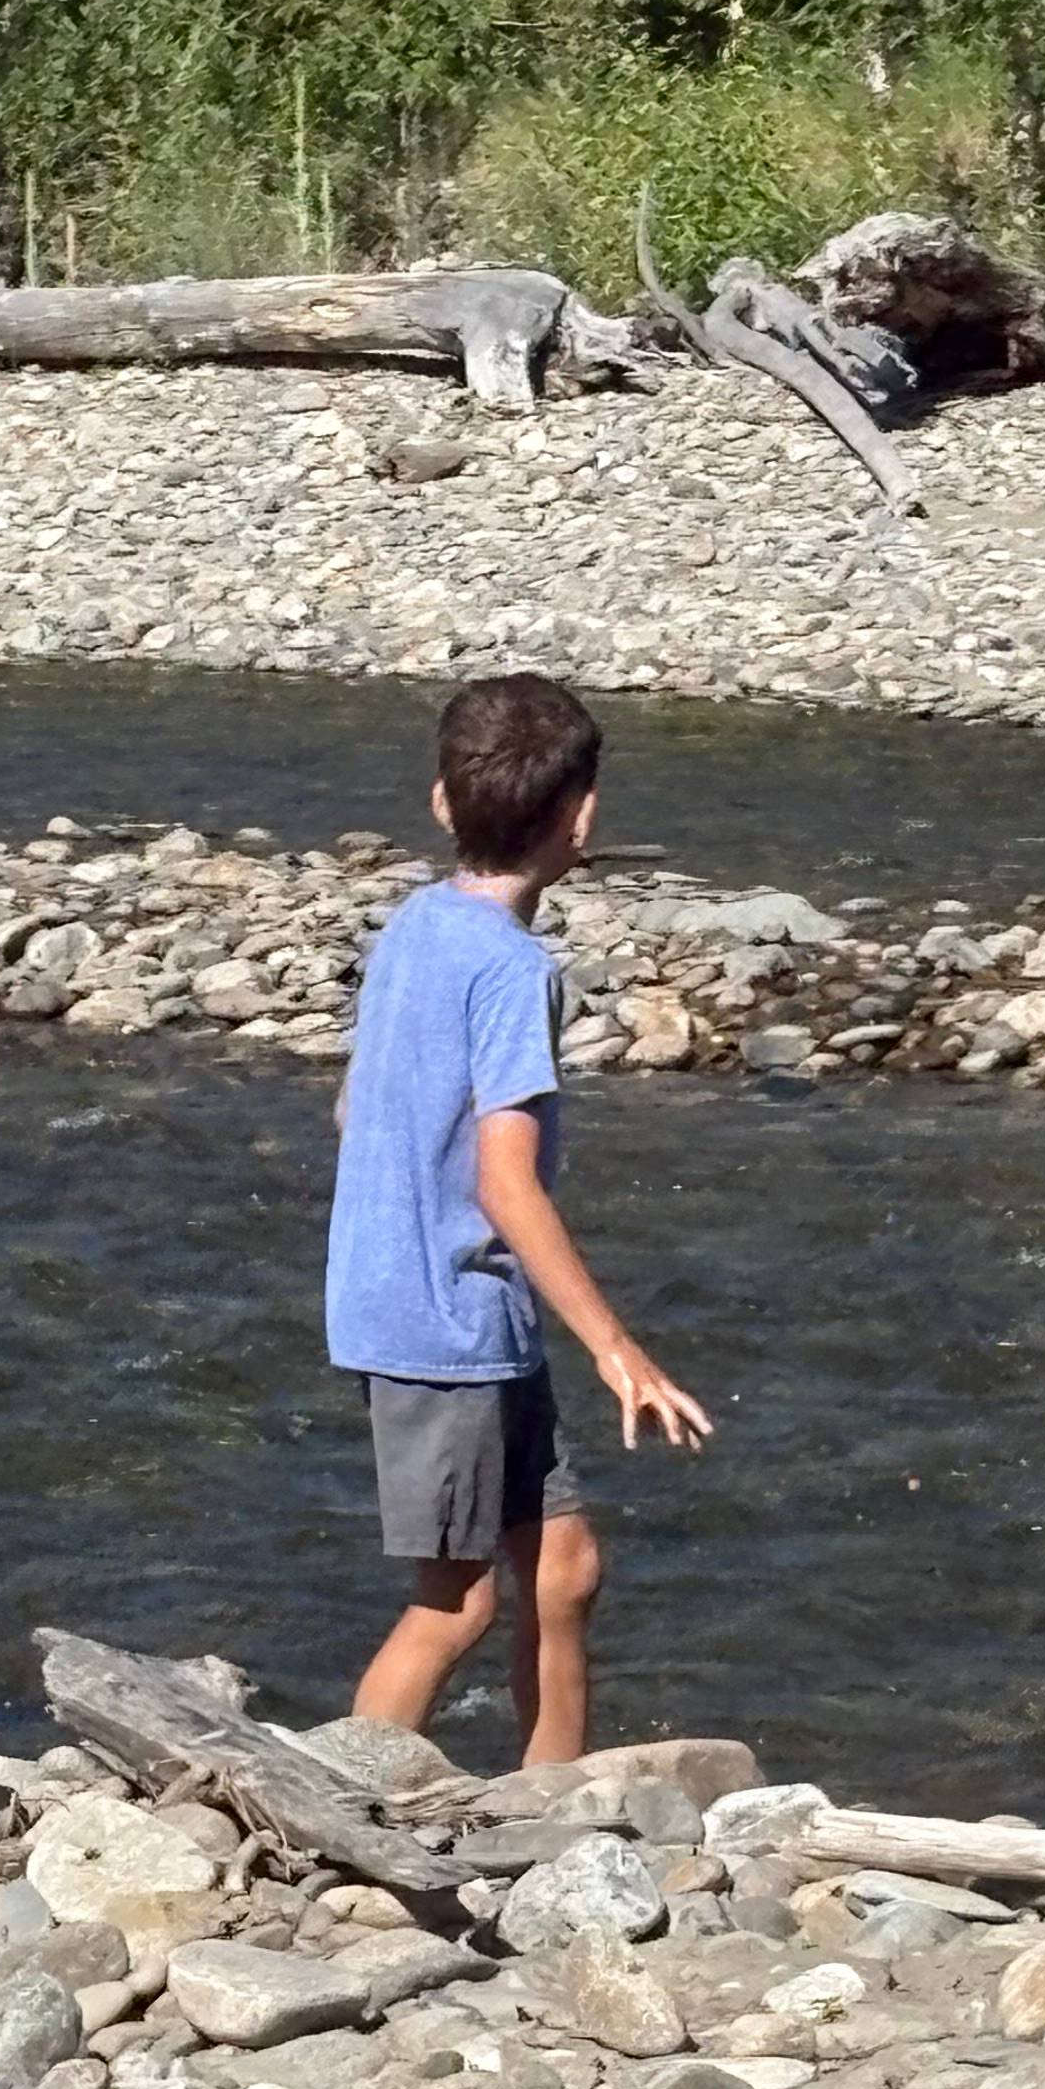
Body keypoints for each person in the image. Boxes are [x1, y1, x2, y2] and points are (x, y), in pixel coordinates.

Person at [325, 670, 710, 1766]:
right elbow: (507, 1182)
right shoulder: (511, 971)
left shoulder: (416, 923)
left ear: (443, 804)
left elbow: (358, 1101)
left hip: (458, 1313)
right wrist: (619, 1351)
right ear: (579, 819)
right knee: (455, 1603)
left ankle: (558, 1816)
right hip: (445, 1325)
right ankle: (329, 1807)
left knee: (564, 1569)